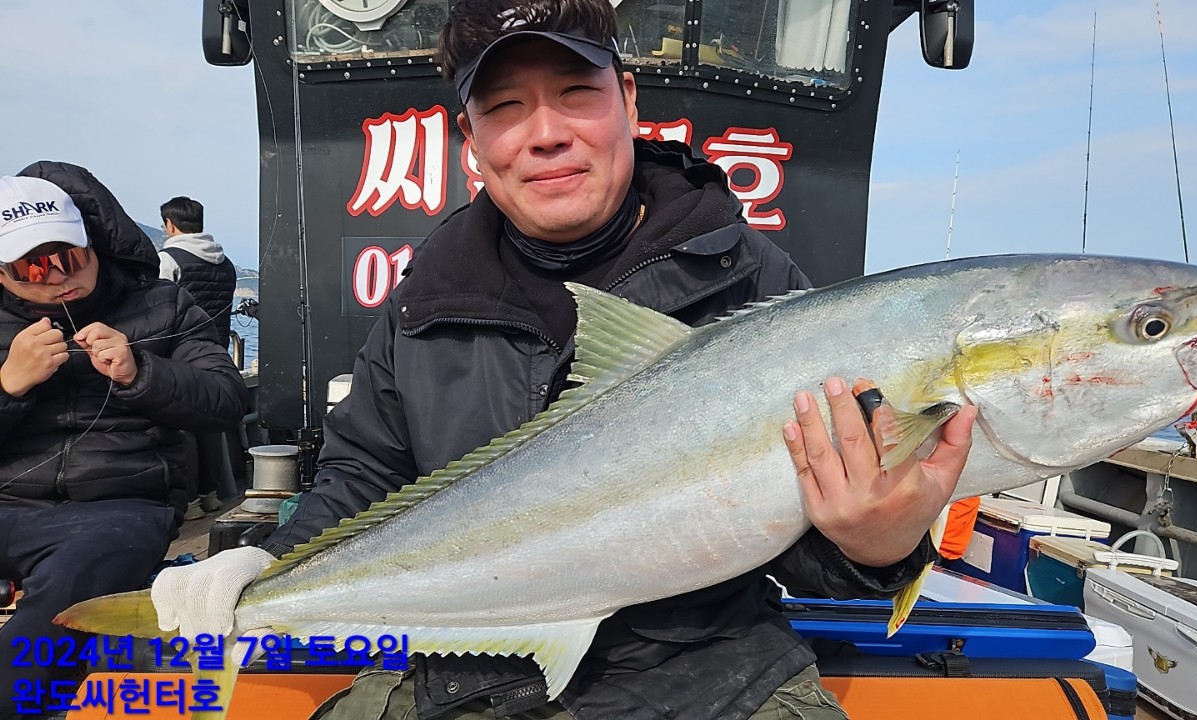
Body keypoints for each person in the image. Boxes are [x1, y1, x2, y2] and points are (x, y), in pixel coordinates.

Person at [150, 0, 977, 717]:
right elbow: (363, 475)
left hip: (710, 678)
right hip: (463, 672)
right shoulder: (425, 301)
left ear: (627, 98)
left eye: (577, 93)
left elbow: (793, 534)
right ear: (472, 139)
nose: (546, 135)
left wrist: (876, 545)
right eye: (505, 107)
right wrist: (268, 564)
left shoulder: (753, 282)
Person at [0, 164, 249, 720]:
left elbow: (226, 398)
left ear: (92, 241)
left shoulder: (162, 303)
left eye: (68, 256)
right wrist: (8, 384)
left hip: (121, 504)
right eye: (31, 266)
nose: (56, 277)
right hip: (9, 501)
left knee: (76, 577)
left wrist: (141, 373)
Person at [157, 195, 238, 519]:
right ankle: (210, 494)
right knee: (210, 421)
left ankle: (189, 502)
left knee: (183, 425)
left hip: (179, 352)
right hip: (217, 350)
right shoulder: (226, 263)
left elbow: (158, 309)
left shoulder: (169, 259)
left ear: (170, 224)